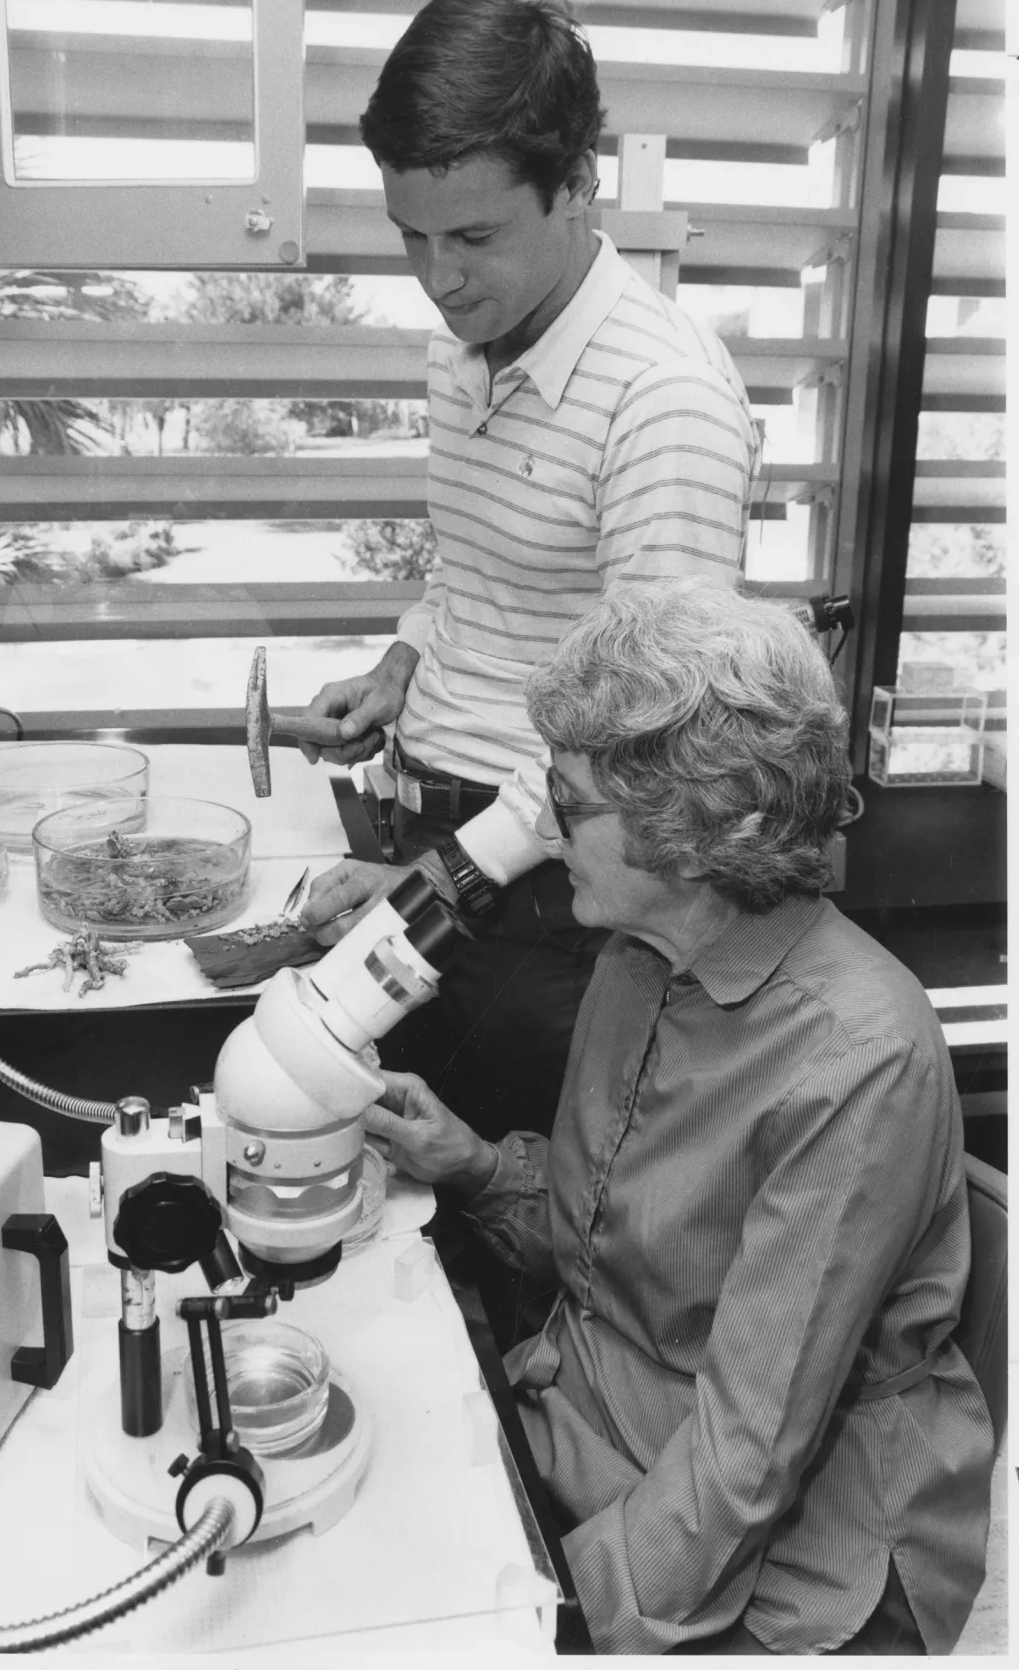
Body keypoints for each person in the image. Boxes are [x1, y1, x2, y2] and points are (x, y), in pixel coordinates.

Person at [362, 578, 995, 1655]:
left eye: (568, 803)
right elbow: (615, 1239)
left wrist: (556, 1620)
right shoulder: (638, 952)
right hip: (607, 1425)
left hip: (799, 1544)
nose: (545, 833)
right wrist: (471, 1163)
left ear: (689, 827)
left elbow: (747, 1456)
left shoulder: (856, 1056)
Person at [299, 0, 759, 1140]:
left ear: (575, 187)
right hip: (443, 856)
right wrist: (402, 663)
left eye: (473, 237)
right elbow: (472, 565)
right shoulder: (471, 346)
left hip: (550, 909)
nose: (437, 278)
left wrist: (437, 890)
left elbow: (642, 724)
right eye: (411, 235)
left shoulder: (665, 400)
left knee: (502, 1253)